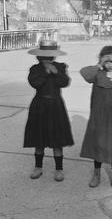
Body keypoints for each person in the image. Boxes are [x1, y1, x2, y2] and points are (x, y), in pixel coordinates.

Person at [23, 39, 74, 181]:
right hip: (39, 105)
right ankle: (38, 167)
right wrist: (46, 72)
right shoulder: (35, 69)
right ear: (39, 56)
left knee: (57, 139)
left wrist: (56, 72)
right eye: (44, 56)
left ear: (53, 56)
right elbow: (35, 83)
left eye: (49, 56)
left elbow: (64, 82)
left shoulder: (60, 66)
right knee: (39, 139)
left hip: (56, 105)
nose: (47, 59)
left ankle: (59, 169)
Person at [80, 46, 112, 190]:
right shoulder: (97, 73)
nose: (109, 64)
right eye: (106, 61)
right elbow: (85, 73)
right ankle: (97, 173)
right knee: (98, 143)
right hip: (100, 116)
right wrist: (99, 64)